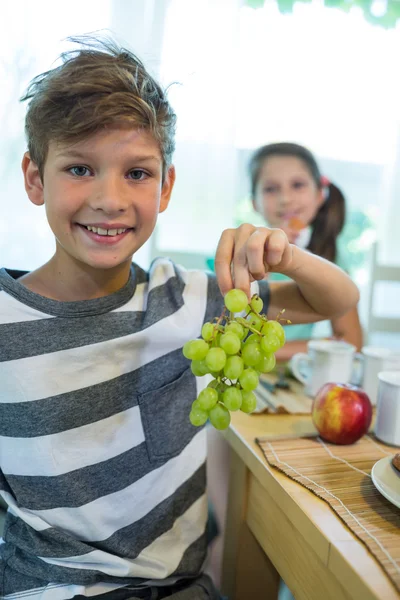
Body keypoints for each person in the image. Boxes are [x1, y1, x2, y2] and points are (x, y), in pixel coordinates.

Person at [0, 37, 359, 600]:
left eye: (137, 174)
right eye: (80, 168)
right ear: (35, 178)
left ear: (166, 186)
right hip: (46, 588)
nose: (109, 198)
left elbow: (335, 300)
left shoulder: (186, 299)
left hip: (178, 589)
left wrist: (286, 254)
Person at [249, 142, 363, 361]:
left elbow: (350, 341)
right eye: (271, 188)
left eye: (298, 185)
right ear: (254, 202)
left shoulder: (330, 258)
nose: (286, 198)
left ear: (320, 195)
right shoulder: (241, 252)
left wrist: (264, 352)